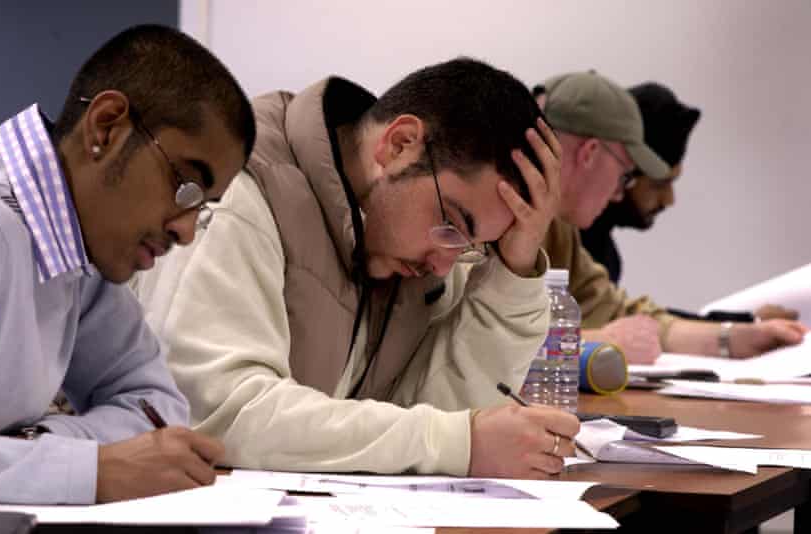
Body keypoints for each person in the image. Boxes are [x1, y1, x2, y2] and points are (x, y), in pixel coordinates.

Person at [137, 58, 579, 479]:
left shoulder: (407, 250)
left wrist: (512, 268)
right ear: (399, 144)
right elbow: (219, 417)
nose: (445, 265)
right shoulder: (241, 194)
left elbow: (429, 419)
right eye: (451, 226)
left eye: (472, 246)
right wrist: (456, 442)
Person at [0, 25, 255, 507]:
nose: (186, 230)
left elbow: (157, 409)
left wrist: (32, 446)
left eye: (203, 207)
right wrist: (88, 471)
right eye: (185, 187)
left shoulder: (78, 250)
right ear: (106, 128)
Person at [534, 72, 807, 364]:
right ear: (589, 153)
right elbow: (486, 344)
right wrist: (602, 341)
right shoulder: (492, 216)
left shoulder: (559, 227)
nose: (618, 194)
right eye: (625, 175)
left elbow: (618, 312)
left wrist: (732, 338)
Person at [580, 82, 798, 323]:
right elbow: (613, 324)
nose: (669, 200)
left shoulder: (597, 245)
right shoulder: (569, 237)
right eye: (659, 184)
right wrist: (734, 327)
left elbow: (620, 316)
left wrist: (739, 324)